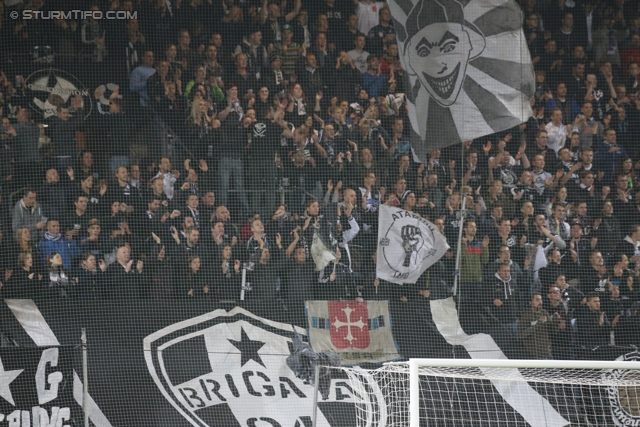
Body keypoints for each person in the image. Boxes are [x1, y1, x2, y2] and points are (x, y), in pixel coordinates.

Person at [518, 293, 555, 359]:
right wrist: (538, 323)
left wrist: (556, 321)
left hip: (547, 352)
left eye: (541, 300)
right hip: (534, 355)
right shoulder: (526, 315)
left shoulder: (544, 312)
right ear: (530, 302)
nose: (540, 302)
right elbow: (521, 335)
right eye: (537, 300)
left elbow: (552, 330)